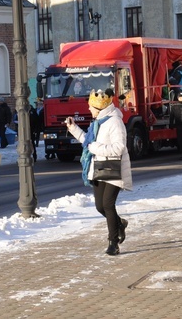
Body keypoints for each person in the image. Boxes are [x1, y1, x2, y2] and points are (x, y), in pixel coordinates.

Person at [65, 89, 132, 256]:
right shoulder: (98, 123)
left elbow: (119, 148)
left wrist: (95, 148)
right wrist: (73, 128)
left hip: (114, 169)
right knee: (99, 206)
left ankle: (113, 243)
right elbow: (87, 142)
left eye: (91, 107)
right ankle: (120, 223)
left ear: (99, 108)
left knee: (108, 204)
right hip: (99, 168)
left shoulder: (115, 122)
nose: (89, 109)